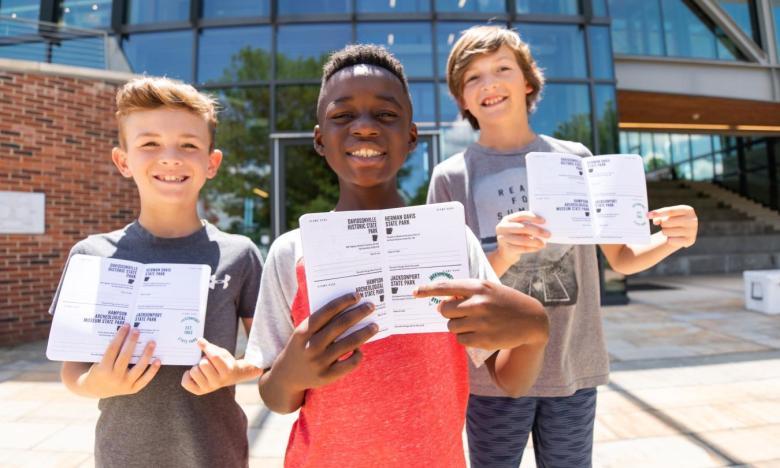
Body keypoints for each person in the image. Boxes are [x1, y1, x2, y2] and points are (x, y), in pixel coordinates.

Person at [244, 44, 550, 468]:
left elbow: (508, 378)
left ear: (411, 137)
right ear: (319, 139)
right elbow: (276, 397)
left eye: (385, 114)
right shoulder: (291, 252)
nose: (364, 127)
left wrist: (535, 330)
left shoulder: (451, 242)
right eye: (342, 115)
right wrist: (289, 374)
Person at [428, 25, 699, 468]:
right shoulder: (451, 176)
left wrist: (671, 239)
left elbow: (622, 257)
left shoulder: (577, 159)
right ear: (462, 98)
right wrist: (503, 254)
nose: (489, 83)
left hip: (573, 365)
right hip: (492, 376)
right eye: (473, 77)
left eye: (502, 69)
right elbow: (445, 287)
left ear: (528, 82)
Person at [52, 77, 264, 467]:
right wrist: (95, 383)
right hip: (122, 457)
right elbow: (73, 372)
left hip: (215, 456)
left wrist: (234, 370)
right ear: (123, 161)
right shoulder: (91, 256)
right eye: (150, 143)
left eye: (189, 145)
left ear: (212, 163)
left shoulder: (240, 255)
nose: (170, 157)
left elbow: (266, 353)